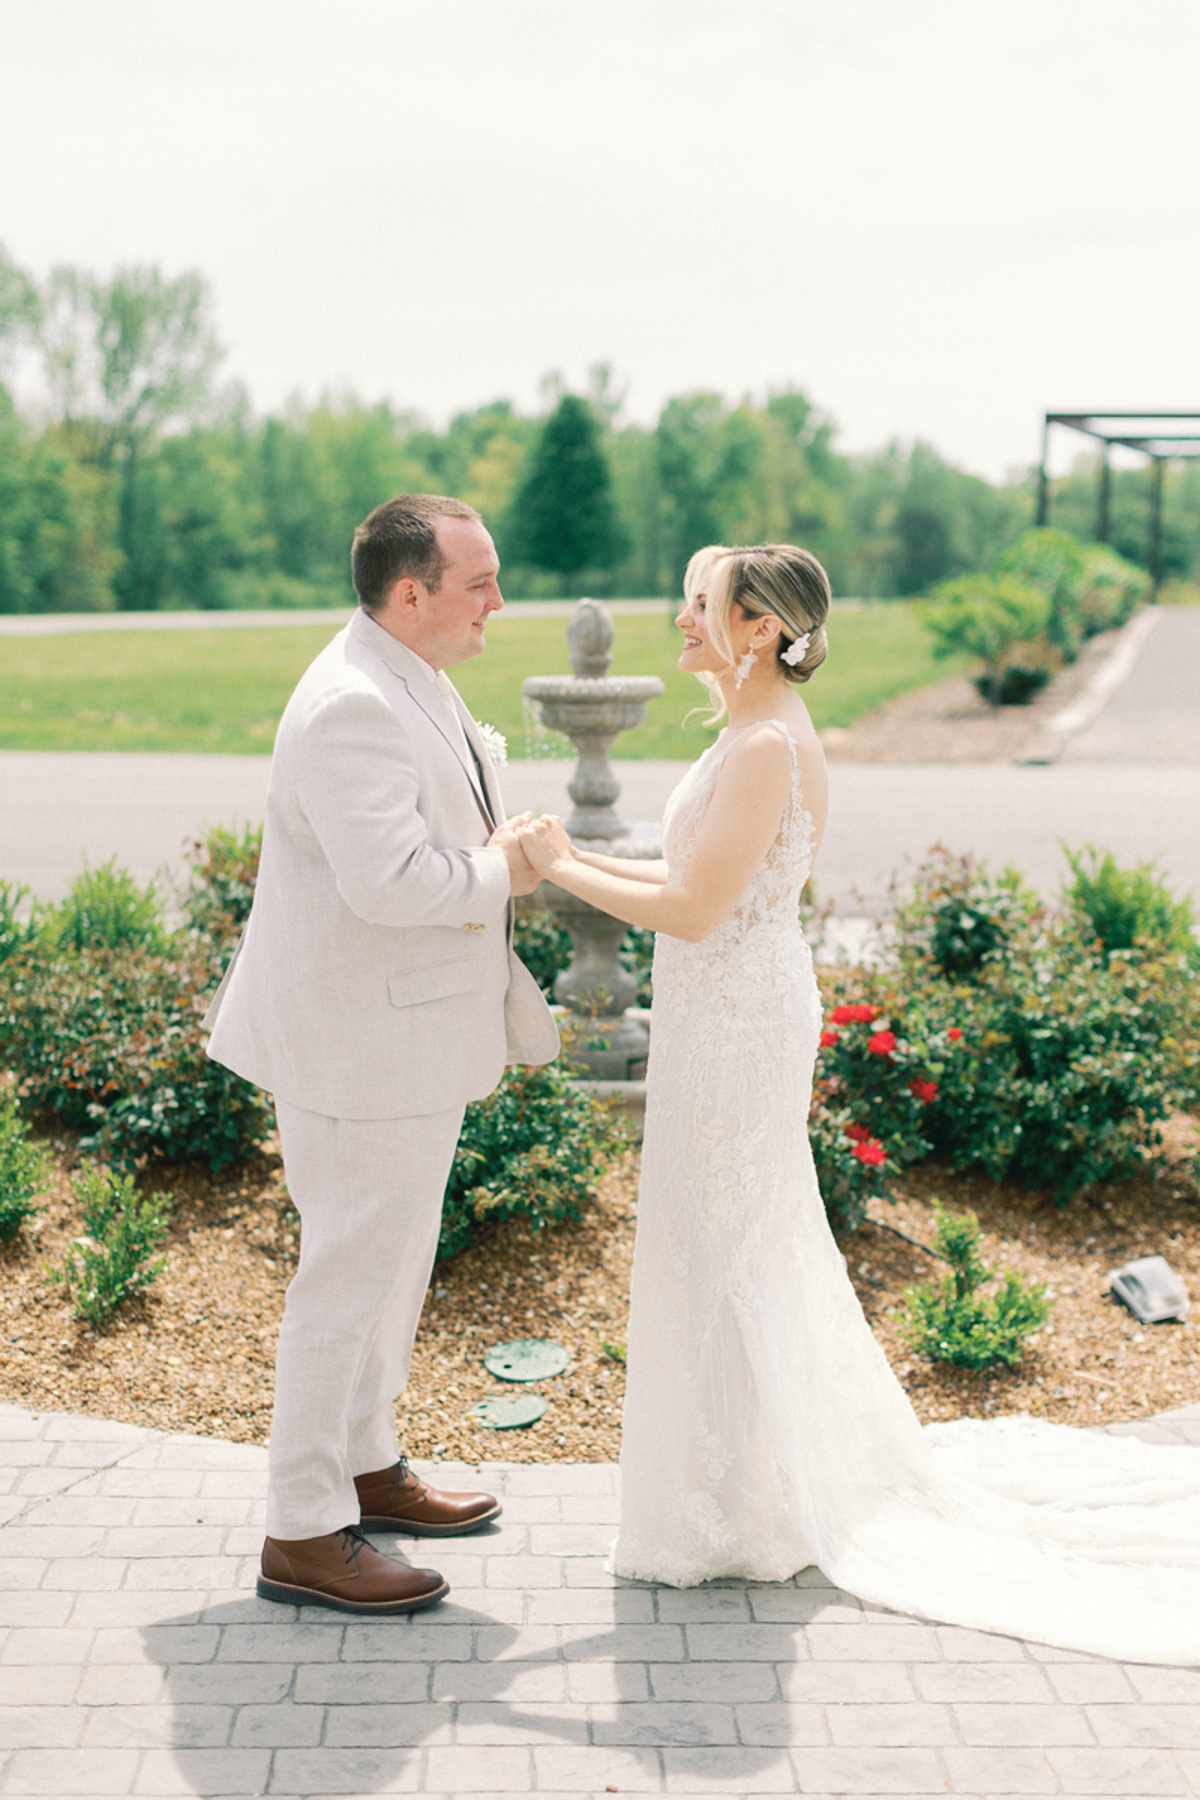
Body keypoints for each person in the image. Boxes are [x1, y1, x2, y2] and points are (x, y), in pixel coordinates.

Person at [515, 542, 1200, 1664]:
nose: (678, 622)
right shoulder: (747, 734)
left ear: (754, 628)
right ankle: (732, 1491)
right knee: (713, 1240)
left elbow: (692, 909)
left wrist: (559, 866)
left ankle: (748, 1508)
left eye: (698, 607)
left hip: (738, 1023)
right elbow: (690, 888)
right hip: (721, 1011)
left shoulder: (767, 747)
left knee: (730, 1240)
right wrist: (573, 853)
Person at [204, 494, 558, 1614]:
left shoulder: (413, 670)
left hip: (402, 1036)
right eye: (479, 583)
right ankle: (304, 1531)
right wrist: (511, 868)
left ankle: (367, 1465)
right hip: (361, 1048)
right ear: (411, 593)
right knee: (347, 1282)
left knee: (390, 1270)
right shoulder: (353, 703)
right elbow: (392, 882)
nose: (498, 601)